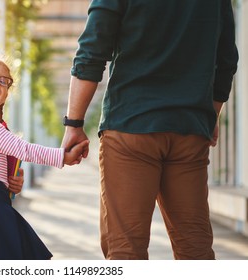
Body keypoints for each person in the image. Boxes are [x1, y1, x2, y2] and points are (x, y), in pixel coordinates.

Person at [61, 0, 239, 260]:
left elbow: (91, 52)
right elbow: (226, 61)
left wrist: (74, 124)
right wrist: (210, 115)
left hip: (131, 127)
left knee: (126, 248)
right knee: (195, 246)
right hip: (188, 130)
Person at [0, 56, 88, 260]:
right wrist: (63, 157)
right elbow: (22, 149)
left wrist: (9, 182)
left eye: (4, 81)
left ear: (5, 95)